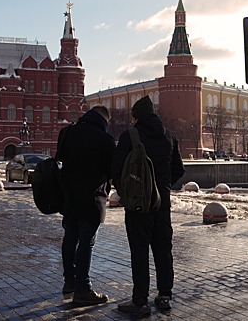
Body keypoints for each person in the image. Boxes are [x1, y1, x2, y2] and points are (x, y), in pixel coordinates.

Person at [112, 95, 185, 317]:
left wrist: (129, 193)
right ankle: (164, 296)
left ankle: (140, 301)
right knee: (163, 249)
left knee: (139, 251)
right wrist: (162, 187)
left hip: (138, 206)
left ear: (137, 116)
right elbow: (178, 169)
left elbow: (116, 171)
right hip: (162, 204)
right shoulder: (169, 136)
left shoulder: (130, 136)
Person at [58, 105, 115, 306]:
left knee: (70, 237)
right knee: (86, 241)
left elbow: (61, 159)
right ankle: (83, 289)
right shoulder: (104, 139)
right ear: (103, 120)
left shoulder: (67, 132)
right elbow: (112, 169)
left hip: (69, 197)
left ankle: (70, 282)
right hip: (92, 198)